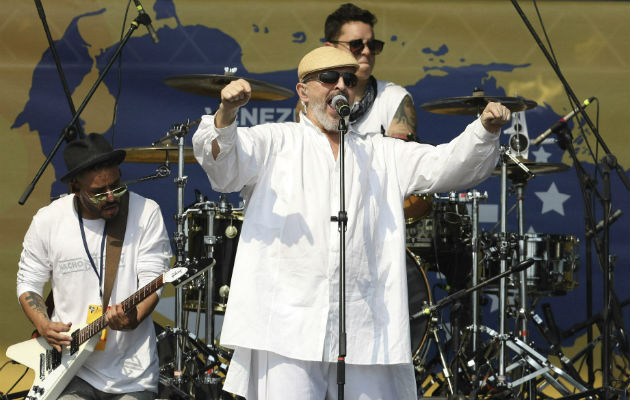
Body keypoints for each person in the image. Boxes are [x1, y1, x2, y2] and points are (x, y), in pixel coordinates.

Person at [192, 46, 510, 399]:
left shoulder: (379, 152)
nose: (340, 85)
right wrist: (227, 113)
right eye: (329, 78)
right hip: (286, 326)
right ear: (303, 91)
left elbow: (445, 165)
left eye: (349, 79)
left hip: (365, 328)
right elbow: (223, 169)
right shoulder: (275, 141)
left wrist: (483, 130)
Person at [16, 133, 172, 398]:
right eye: (99, 192)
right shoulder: (48, 220)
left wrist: (132, 318)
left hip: (131, 374)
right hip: (69, 370)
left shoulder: (146, 213)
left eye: (116, 185)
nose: (111, 197)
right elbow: (28, 281)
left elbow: (153, 281)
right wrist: (42, 324)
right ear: (75, 189)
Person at [296, 2, 417, 141]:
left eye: (372, 45)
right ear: (330, 48)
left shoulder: (394, 98)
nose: (366, 51)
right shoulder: (311, 98)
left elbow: (399, 159)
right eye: (356, 45)